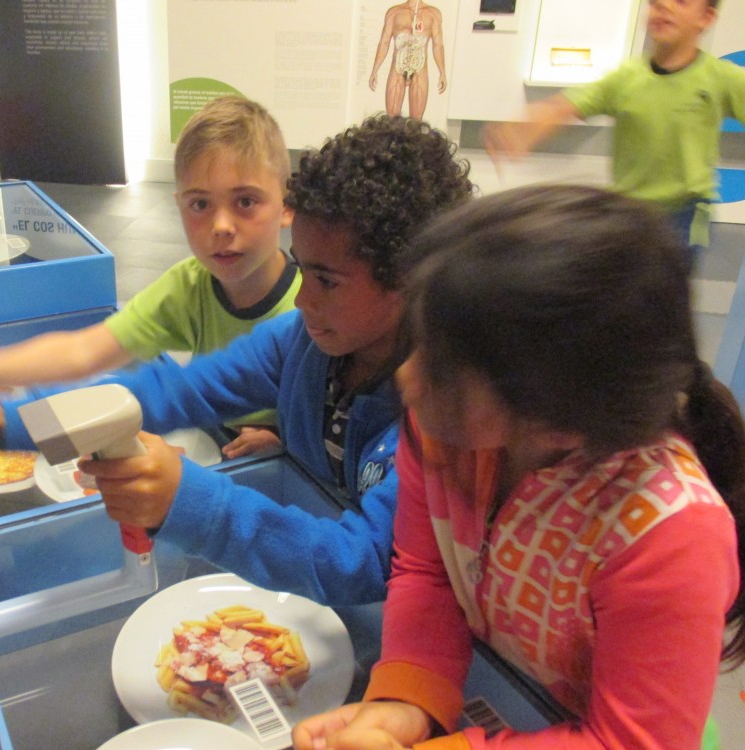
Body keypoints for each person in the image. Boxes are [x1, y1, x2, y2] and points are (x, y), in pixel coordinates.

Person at [293, 185, 745, 749]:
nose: (408, 375)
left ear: (557, 417)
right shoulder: (445, 432)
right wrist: (405, 702)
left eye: (444, 368)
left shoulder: (669, 535)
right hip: (516, 700)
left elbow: (632, 741)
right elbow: (430, 572)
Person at [0, 115, 474, 606]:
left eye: (327, 281)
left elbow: (362, 561)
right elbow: (182, 390)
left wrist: (189, 502)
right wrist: (14, 419)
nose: (302, 299)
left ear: (410, 280)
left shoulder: (443, 417)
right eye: (302, 270)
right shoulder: (299, 342)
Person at [0, 96, 297, 458]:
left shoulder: (309, 308)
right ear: (180, 205)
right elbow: (86, 351)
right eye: (200, 204)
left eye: (245, 201)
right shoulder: (189, 286)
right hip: (219, 441)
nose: (221, 226)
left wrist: (286, 439)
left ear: (287, 205)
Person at [483, 0, 745, 263]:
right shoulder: (627, 78)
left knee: (669, 280)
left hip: (685, 213)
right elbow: (567, 104)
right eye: (655, 2)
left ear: (706, 17)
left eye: (681, 2)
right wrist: (528, 125)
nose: (664, 6)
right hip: (631, 211)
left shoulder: (720, 78)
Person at [369, 1, 448, 120]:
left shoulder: (432, 14)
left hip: (419, 69)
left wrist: (442, 72)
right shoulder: (394, 12)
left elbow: (438, 45)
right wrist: (375, 70)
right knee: (391, 118)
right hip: (397, 68)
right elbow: (384, 42)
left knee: (416, 120)